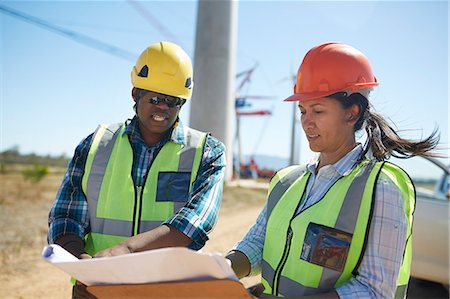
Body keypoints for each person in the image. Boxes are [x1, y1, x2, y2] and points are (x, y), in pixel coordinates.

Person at [226, 42, 440, 299]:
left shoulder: (380, 189)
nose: (306, 122)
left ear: (352, 113)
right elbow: (256, 245)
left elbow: (374, 290)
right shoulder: (286, 181)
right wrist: (219, 269)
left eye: (318, 110)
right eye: (303, 110)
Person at [48, 41, 226, 295]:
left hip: (166, 291)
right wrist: (81, 263)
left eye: (173, 100)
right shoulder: (95, 145)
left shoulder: (206, 152)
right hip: (97, 289)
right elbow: (66, 215)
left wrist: (127, 251)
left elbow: (194, 222)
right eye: (154, 98)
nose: (163, 107)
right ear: (135, 94)